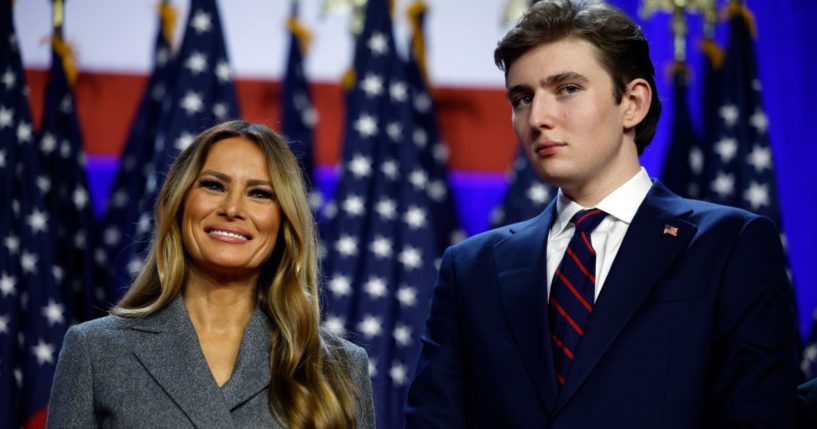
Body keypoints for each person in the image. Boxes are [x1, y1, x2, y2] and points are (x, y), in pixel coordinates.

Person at [405, 0, 798, 427]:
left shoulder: (730, 246)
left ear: (633, 102)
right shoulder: (471, 268)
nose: (538, 118)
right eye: (522, 98)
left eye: (567, 89)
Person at [47, 120, 376, 428]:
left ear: (284, 222)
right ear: (179, 203)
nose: (232, 209)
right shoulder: (95, 350)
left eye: (259, 193)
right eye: (214, 185)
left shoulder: (338, 368)